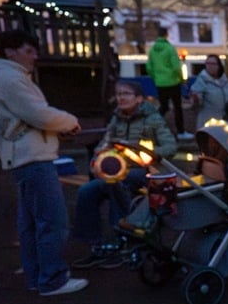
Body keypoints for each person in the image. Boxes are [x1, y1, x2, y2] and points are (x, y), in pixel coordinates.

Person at [0, 29, 88, 296]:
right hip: (32, 157)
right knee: (53, 220)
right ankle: (52, 279)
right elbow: (39, 114)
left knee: (32, 222)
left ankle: (37, 276)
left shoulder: (9, 77)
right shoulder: (12, 79)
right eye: (28, 50)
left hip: (24, 156)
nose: (35, 56)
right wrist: (70, 121)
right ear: (11, 51)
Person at [71, 80, 177, 260]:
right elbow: (105, 141)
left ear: (139, 99)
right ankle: (93, 241)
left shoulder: (153, 119)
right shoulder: (116, 118)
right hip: (117, 171)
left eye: (126, 94)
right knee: (86, 191)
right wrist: (100, 152)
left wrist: (150, 154)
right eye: (119, 94)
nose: (121, 97)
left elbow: (171, 146)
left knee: (116, 182)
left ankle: (120, 235)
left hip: (144, 171)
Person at [146, 26, 190, 140]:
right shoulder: (170, 48)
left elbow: (149, 67)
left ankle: (153, 127)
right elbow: (176, 67)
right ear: (166, 35)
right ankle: (181, 132)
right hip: (173, 82)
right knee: (177, 108)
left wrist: (156, 78)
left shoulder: (152, 49)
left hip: (160, 83)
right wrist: (182, 79)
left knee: (163, 107)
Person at [189, 54, 228, 130]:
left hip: (225, 122)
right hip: (207, 122)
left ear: (219, 65)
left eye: (213, 64)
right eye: (208, 63)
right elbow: (196, 102)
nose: (210, 66)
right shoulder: (201, 81)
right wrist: (195, 99)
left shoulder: (226, 81)